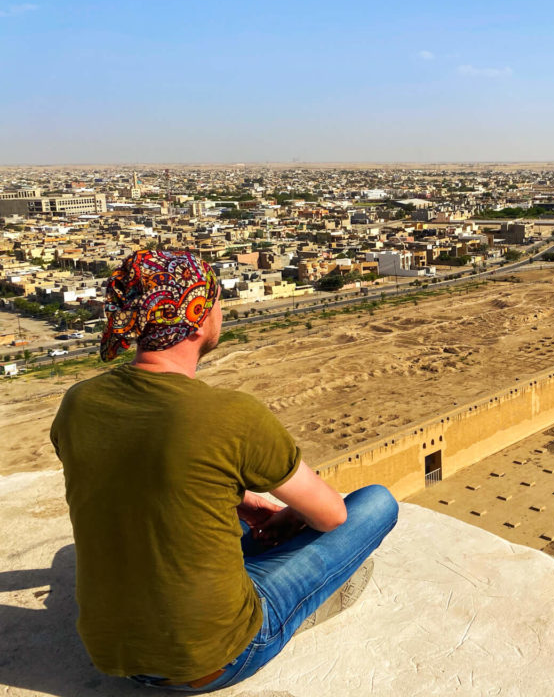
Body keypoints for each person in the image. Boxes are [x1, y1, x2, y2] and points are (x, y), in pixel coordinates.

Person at [50, 249, 398, 692]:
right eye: (216, 300)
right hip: (214, 658)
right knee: (375, 503)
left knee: (223, 517)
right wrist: (292, 515)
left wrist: (241, 498)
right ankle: (297, 612)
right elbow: (332, 516)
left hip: (112, 654)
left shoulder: (78, 402)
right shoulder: (230, 414)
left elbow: (137, 477)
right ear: (197, 317)